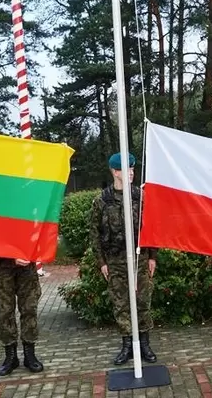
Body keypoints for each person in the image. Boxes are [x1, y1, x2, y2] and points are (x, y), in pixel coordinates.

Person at [89, 152, 158, 365]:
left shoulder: (141, 196)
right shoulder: (102, 200)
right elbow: (94, 233)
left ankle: (144, 344)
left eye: (133, 169)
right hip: (115, 261)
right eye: (126, 169)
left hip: (140, 258)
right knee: (121, 304)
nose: (131, 173)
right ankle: (127, 344)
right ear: (115, 172)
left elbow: (152, 227)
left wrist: (152, 257)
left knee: (142, 301)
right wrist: (101, 263)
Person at [0, 255, 44, 375]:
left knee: (29, 309)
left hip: (26, 266)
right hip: (1, 266)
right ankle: (11, 356)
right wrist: (11, 257)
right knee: (5, 312)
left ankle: (29, 354)